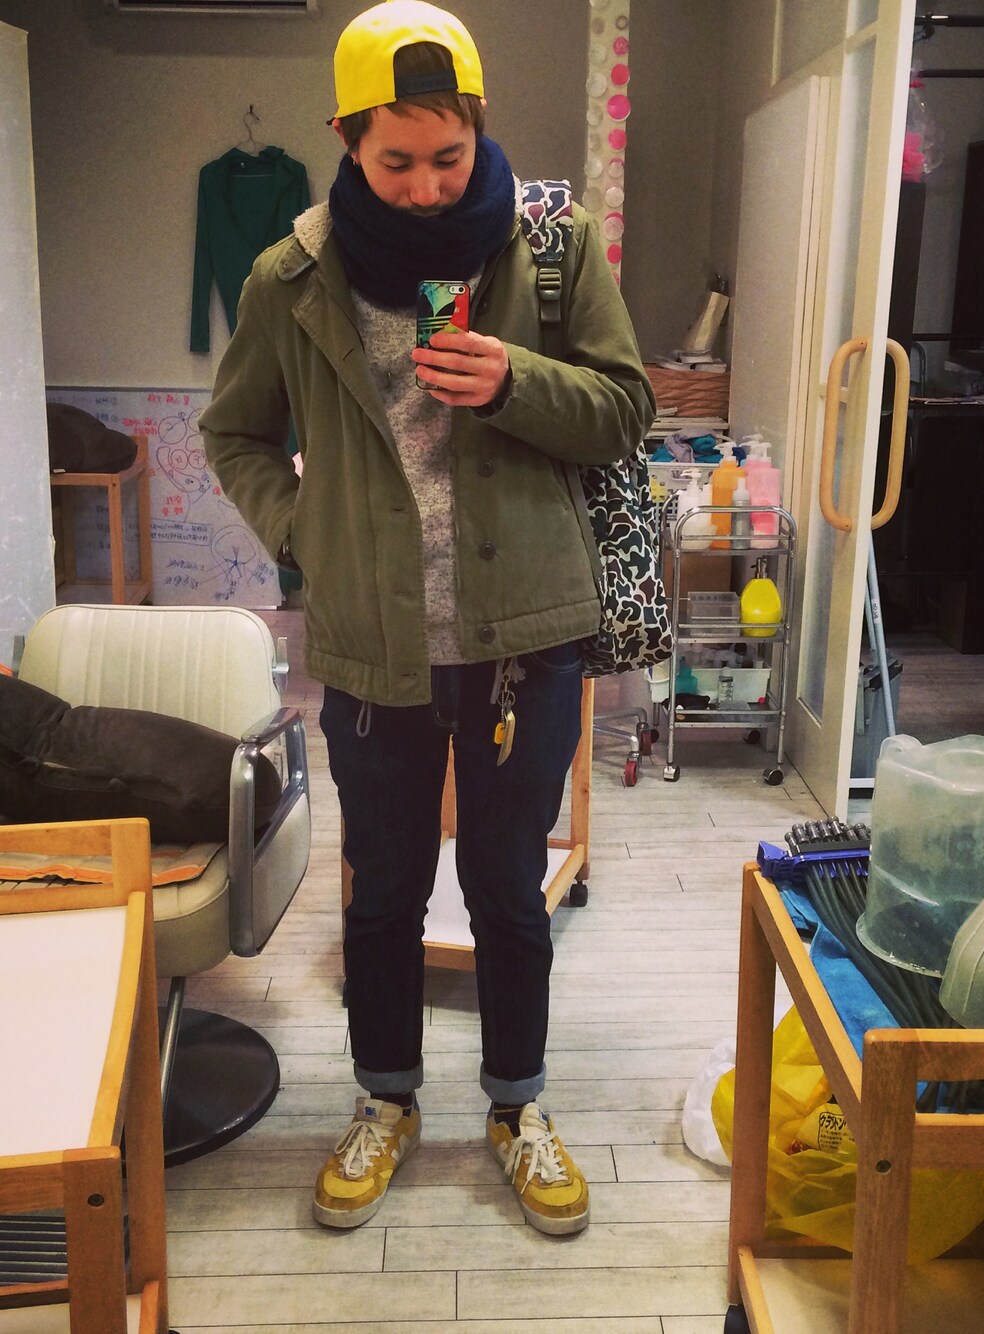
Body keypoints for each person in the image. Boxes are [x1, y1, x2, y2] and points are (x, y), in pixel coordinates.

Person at [200, 0, 654, 1237]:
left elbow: (625, 407)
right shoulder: (291, 277)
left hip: (526, 637)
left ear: (478, 127)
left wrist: (516, 379)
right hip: (373, 645)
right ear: (345, 137)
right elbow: (235, 435)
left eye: (447, 157)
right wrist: (306, 534)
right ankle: (385, 1098)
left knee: (508, 886)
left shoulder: (552, 246)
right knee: (383, 889)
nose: (422, 186)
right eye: (394, 159)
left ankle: (517, 1105)